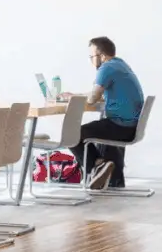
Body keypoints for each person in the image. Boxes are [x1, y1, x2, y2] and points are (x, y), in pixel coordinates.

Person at [60, 36, 144, 190]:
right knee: (85, 132)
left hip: (120, 126)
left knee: (72, 135)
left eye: (92, 56)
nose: (91, 60)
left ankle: (98, 166)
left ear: (102, 56)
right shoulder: (120, 65)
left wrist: (77, 98)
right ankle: (103, 171)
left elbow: (92, 99)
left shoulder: (106, 68)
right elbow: (96, 93)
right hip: (130, 127)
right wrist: (75, 95)